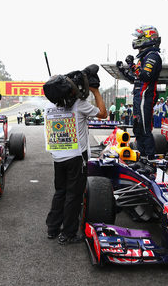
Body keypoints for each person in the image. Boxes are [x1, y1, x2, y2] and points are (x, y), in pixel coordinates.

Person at [45, 85, 107, 245]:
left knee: (60, 192)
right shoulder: (79, 104)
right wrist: (95, 91)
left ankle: (52, 228)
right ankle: (68, 234)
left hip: (58, 157)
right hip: (76, 158)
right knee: (73, 195)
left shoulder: (49, 105)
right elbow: (103, 114)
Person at [116, 25, 162, 161]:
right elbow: (136, 79)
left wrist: (132, 65)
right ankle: (142, 156)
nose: (137, 40)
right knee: (137, 129)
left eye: (139, 38)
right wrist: (124, 71)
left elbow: (146, 76)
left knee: (144, 128)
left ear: (148, 38)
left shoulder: (153, 56)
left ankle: (150, 158)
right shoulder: (144, 57)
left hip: (145, 98)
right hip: (138, 97)